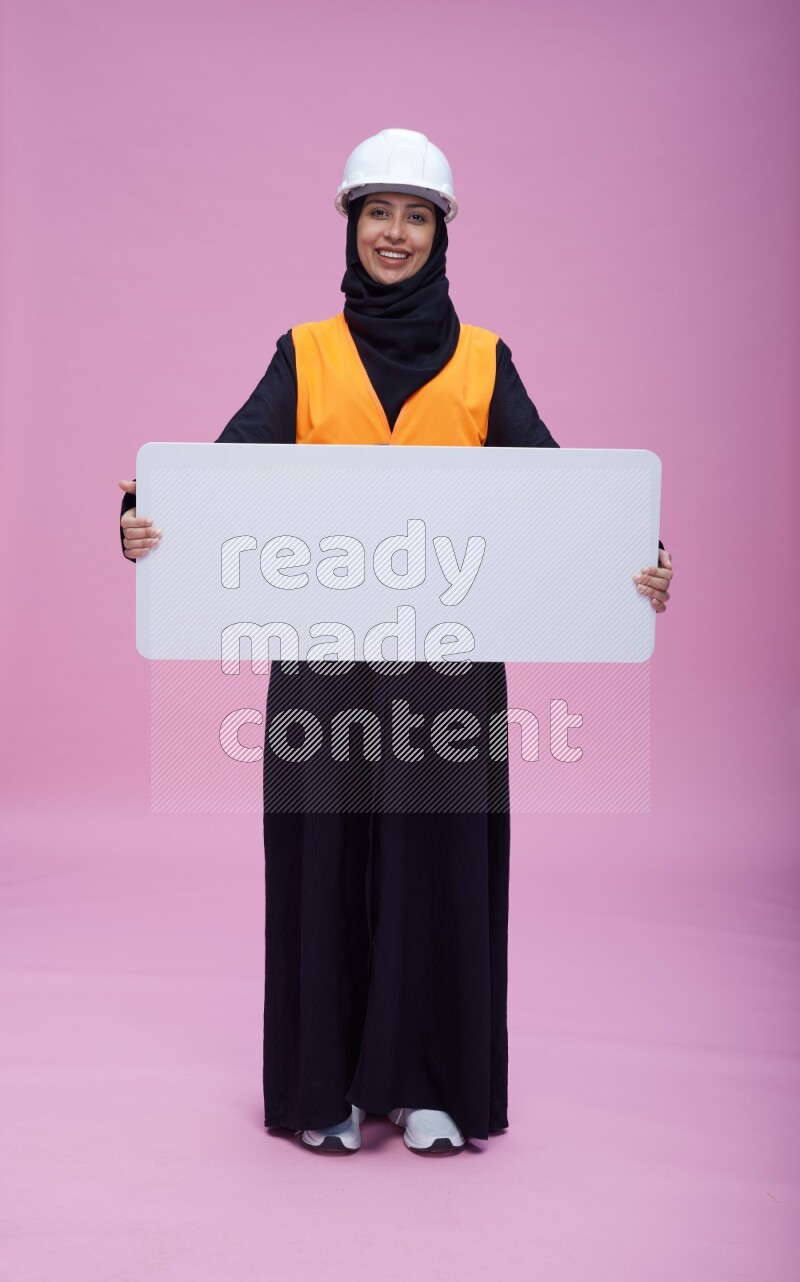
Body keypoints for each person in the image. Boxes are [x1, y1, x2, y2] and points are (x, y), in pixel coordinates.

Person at [119, 128, 674, 1156]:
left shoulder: (481, 362)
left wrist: (633, 559)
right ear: (349, 224)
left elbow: (561, 496)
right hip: (322, 664)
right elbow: (217, 472)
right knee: (319, 861)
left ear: (441, 235)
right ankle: (321, 1084)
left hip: (447, 671)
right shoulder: (305, 353)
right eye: (377, 212)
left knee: (439, 864)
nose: (394, 232)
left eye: (415, 216)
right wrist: (140, 516)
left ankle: (432, 1084)